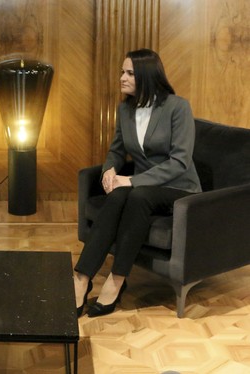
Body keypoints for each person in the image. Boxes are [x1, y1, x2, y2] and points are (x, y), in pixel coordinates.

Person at [74, 49, 201, 317]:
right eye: (122, 71)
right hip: (143, 187)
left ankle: (117, 280)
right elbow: (117, 150)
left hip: (178, 187)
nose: (122, 77)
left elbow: (180, 162)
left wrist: (131, 180)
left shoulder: (178, 107)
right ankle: (82, 278)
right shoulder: (125, 109)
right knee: (120, 195)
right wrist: (109, 171)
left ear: (146, 75)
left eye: (130, 73)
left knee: (136, 195)